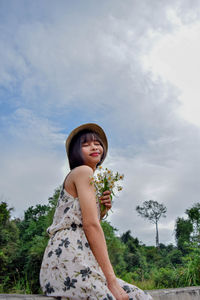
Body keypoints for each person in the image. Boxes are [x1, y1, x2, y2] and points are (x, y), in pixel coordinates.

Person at [40, 123, 153, 300]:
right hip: (69, 258)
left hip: (67, 258)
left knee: (138, 296)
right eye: (85, 144)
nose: (94, 146)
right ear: (75, 152)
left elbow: (84, 221)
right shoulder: (83, 171)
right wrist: (111, 281)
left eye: (97, 143)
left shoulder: (84, 176)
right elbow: (90, 226)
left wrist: (102, 211)